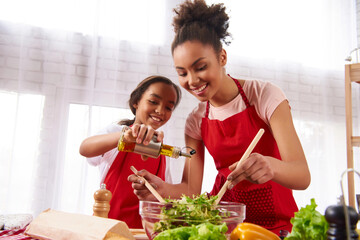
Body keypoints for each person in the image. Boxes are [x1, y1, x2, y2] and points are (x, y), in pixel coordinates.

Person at [128, 0, 311, 235]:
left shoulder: (264, 96)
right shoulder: (196, 120)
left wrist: (271, 166)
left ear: (222, 57)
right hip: (224, 227)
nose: (192, 81)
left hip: (274, 228)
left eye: (200, 67)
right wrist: (160, 187)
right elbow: (191, 189)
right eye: (182, 73)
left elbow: (302, 175)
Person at [79, 75, 181, 229]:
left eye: (168, 107)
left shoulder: (163, 150)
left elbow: (165, 198)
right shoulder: (118, 132)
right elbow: (85, 148)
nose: (160, 110)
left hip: (145, 233)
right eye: (153, 102)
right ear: (136, 102)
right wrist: (125, 137)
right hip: (107, 230)